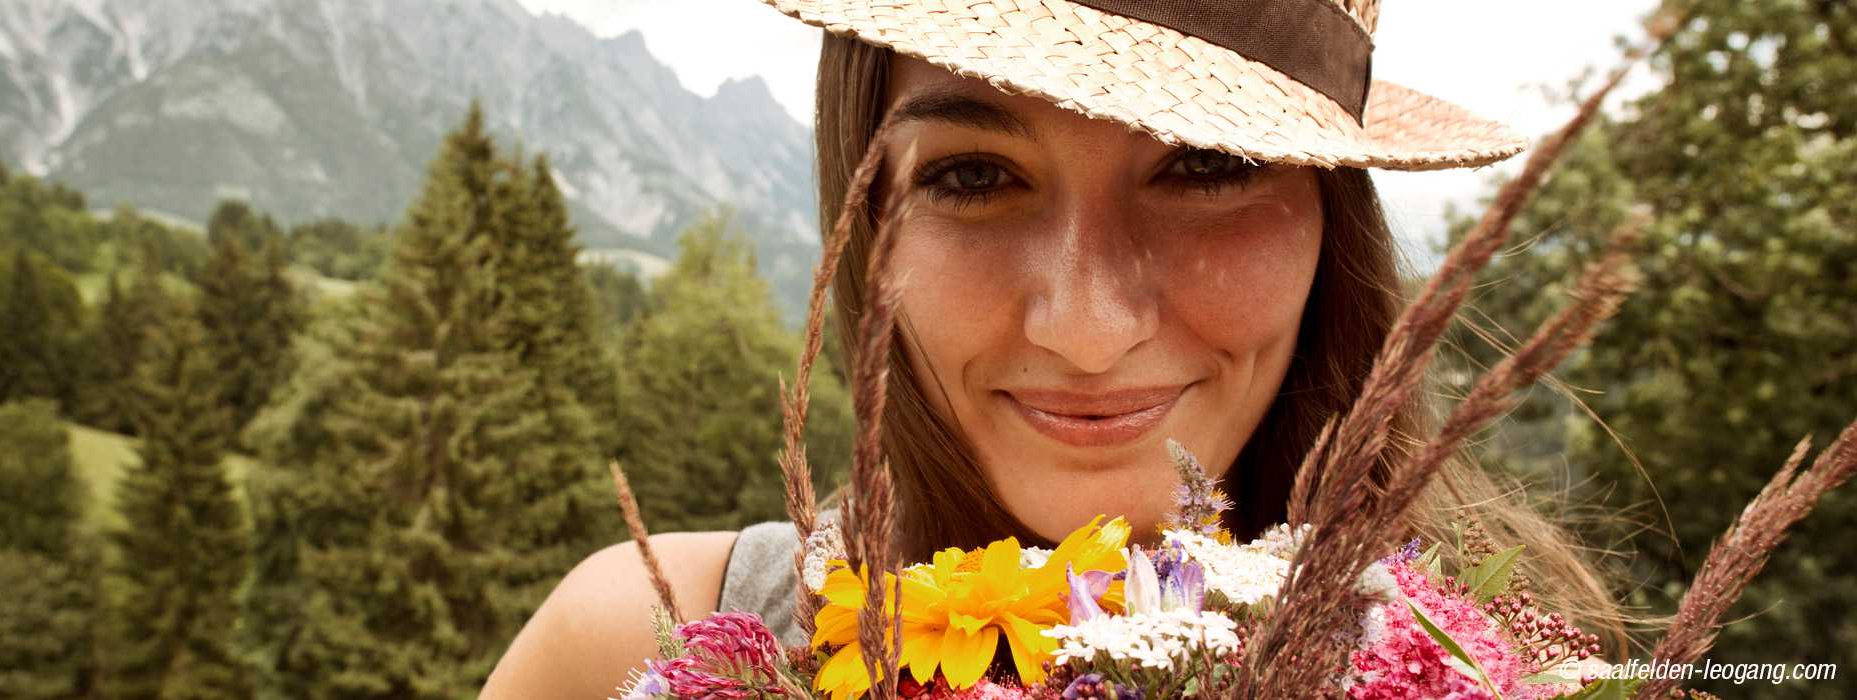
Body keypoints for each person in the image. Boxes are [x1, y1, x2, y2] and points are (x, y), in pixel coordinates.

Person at [482, 1, 1622, 696]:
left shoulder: (1504, 678)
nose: (1086, 326)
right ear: (865, 217)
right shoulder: (638, 652)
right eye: (974, 176)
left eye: (1207, 165)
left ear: (1332, 220)